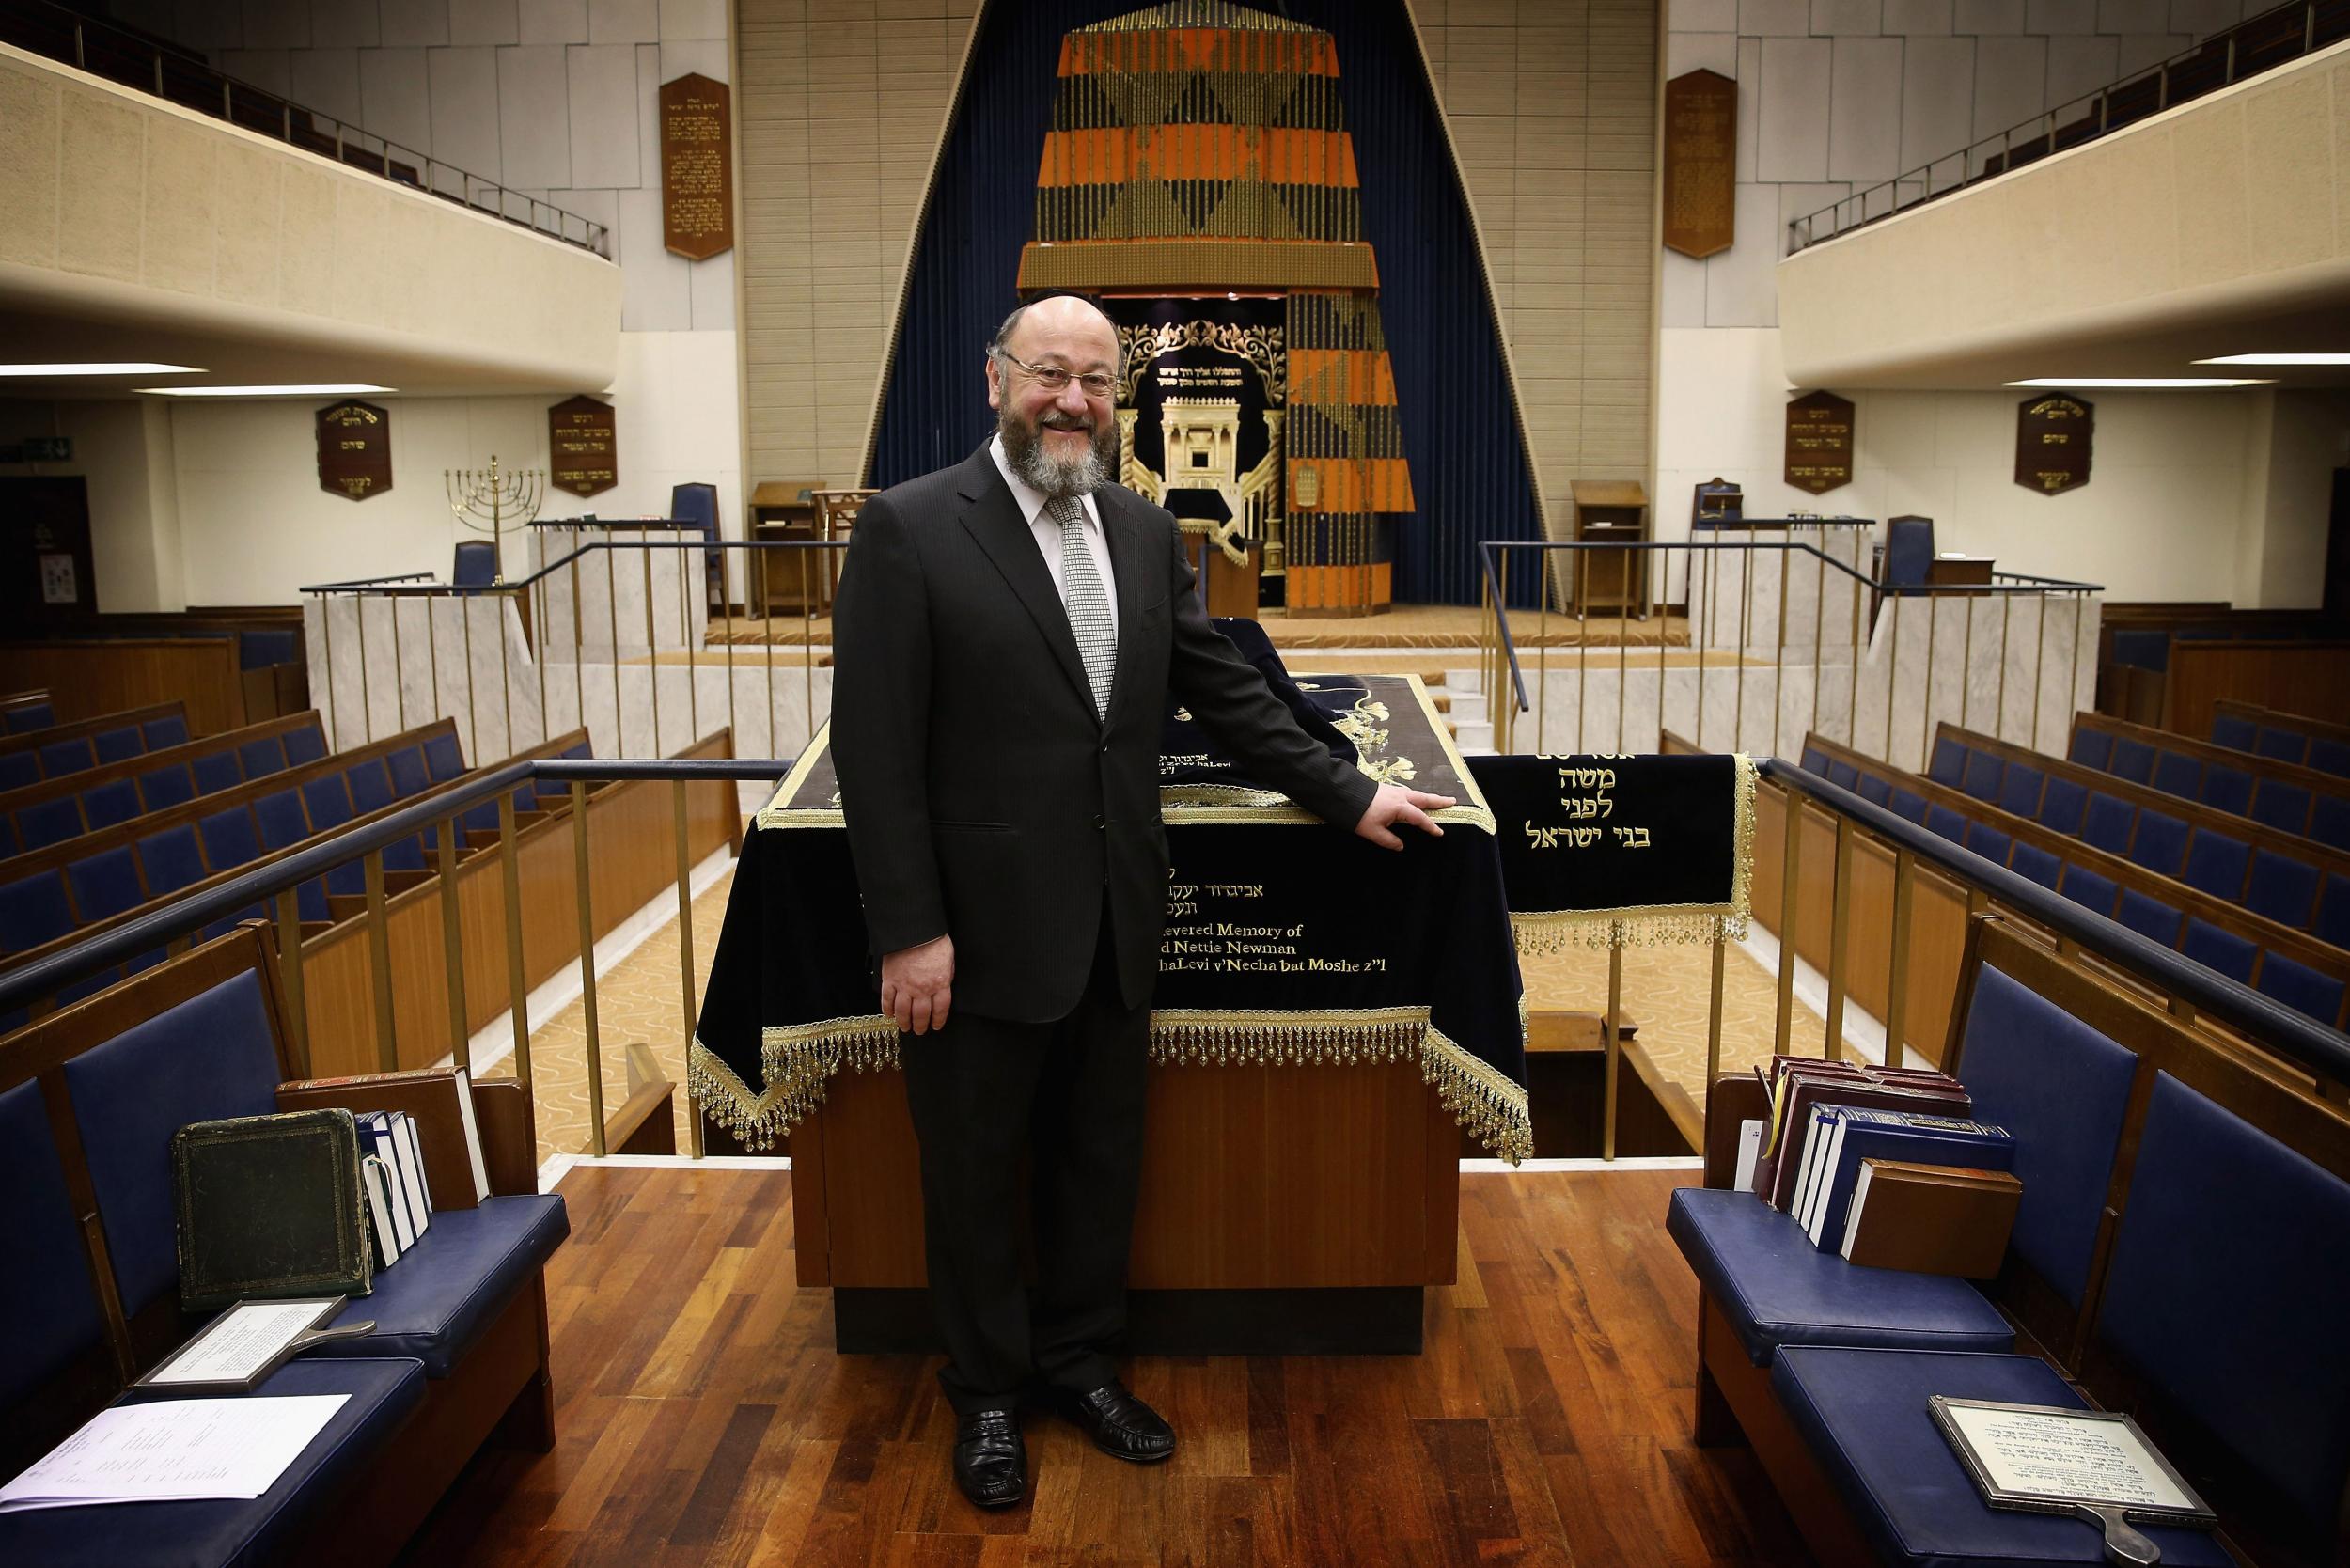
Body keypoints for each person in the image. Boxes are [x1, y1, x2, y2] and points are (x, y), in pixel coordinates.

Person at [829, 292, 1455, 1509]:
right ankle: (991, 1394)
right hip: (975, 933)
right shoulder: (909, 530)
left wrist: (1350, 793)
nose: (1073, 400)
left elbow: (1226, 690)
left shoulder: (1139, 529)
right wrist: (910, 929)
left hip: (1117, 921)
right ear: (997, 378)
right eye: (1050, 374)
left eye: (1099, 382)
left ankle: (1077, 1362)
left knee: (1097, 1164)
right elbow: (877, 750)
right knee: (970, 1174)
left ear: (1122, 402)